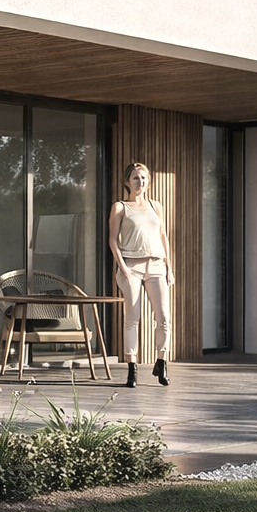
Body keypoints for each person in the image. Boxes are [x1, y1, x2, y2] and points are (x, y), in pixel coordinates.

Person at [108, 161, 173, 388]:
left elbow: (163, 237)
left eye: (143, 178)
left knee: (164, 318)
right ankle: (132, 368)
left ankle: (161, 362)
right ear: (127, 181)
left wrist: (169, 267)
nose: (140, 182)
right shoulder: (120, 207)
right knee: (132, 318)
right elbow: (112, 240)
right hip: (131, 267)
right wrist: (123, 267)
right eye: (135, 178)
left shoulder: (157, 206)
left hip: (156, 266)